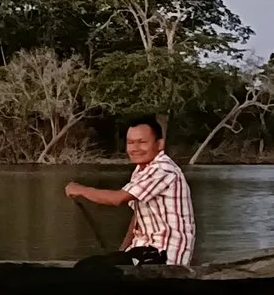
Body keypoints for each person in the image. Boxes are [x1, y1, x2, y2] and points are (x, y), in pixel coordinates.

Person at [63, 114, 193, 266]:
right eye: (131, 143)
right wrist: (122, 252)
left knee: (91, 269)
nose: (135, 148)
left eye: (142, 142)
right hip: (143, 250)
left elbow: (117, 199)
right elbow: (137, 217)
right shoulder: (141, 170)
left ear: (160, 144)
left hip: (165, 254)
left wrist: (80, 190)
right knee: (88, 265)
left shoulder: (163, 169)